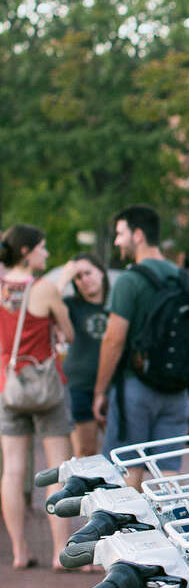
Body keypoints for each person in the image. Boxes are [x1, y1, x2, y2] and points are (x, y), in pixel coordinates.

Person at [93, 205, 189, 488]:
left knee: (128, 470)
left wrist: (100, 390)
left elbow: (114, 340)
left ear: (138, 235)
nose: (117, 242)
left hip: (134, 389)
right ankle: (172, 529)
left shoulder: (130, 281)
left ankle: (130, 530)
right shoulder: (187, 281)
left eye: (120, 234)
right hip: (177, 392)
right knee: (168, 474)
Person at [0, 225, 76, 570]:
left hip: (7, 385)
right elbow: (68, 332)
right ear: (27, 251)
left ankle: (19, 552)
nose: (47, 254)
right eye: (43, 248)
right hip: (46, 387)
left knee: (13, 470)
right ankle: (61, 552)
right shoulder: (44, 289)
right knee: (57, 469)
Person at [51, 254, 110, 458]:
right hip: (80, 387)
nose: (84, 280)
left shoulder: (118, 302)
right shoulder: (71, 304)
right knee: (86, 453)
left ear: (101, 272)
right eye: (78, 277)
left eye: (88, 273)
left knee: (120, 456)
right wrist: (64, 279)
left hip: (114, 386)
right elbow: (46, 309)